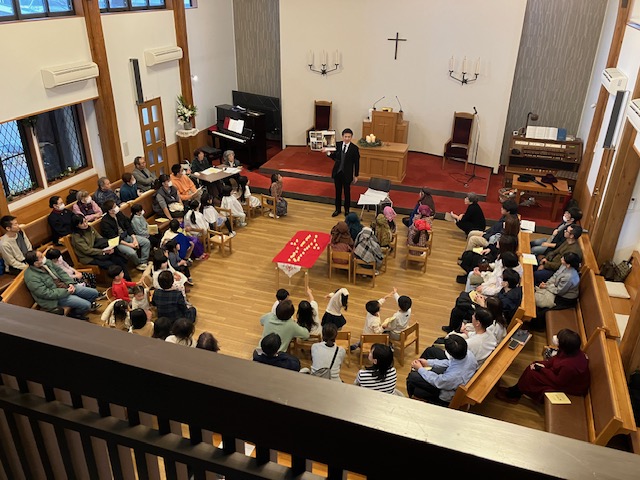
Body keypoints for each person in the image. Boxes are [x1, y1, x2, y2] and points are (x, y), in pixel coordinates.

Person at [496, 328, 589, 404]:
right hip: (560, 376)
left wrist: (542, 369)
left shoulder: (569, 366)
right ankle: (516, 390)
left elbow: (559, 381)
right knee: (533, 365)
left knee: (533, 374)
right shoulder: (571, 351)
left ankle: (514, 394)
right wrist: (542, 365)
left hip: (568, 386)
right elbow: (556, 359)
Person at [24, 250, 100, 320]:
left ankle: (76, 309)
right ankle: (74, 314)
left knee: (94, 293)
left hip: (65, 286)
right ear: (36, 263)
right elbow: (46, 293)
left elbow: (61, 272)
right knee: (86, 305)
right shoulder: (31, 277)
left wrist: (70, 283)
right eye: (41, 257)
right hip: (54, 298)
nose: (44, 257)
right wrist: (66, 291)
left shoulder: (46, 262)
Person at [406, 334, 478, 405]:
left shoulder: (452, 376)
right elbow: (450, 363)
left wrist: (420, 369)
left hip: (444, 394)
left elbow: (437, 380)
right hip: (452, 381)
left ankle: (411, 398)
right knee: (430, 352)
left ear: (449, 353)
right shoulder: (469, 354)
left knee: (412, 377)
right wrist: (428, 362)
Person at [70, 214, 132, 280]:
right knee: (112, 265)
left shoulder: (90, 228)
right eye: (82, 223)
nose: (85, 224)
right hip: (89, 257)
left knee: (118, 259)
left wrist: (109, 247)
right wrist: (103, 251)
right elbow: (87, 250)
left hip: (98, 251)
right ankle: (120, 282)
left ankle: (127, 280)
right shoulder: (76, 237)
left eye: (85, 221)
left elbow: (100, 238)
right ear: (77, 226)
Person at [533, 252, 581, 327]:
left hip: (565, 298)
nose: (561, 259)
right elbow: (555, 275)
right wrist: (547, 283)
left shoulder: (569, 277)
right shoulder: (564, 265)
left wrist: (546, 287)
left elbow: (559, 291)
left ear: (568, 265)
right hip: (556, 287)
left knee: (542, 311)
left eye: (563, 259)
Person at [101, 199, 150, 270]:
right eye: (114, 206)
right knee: (132, 253)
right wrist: (130, 245)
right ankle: (138, 264)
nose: (117, 207)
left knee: (146, 242)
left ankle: (143, 262)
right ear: (110, 210)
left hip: (126, 236)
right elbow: (114, 238)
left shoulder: (119, 214)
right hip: (117, 242)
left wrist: (134, 239)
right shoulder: (105, 222)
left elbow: (128, 226)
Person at [323, 128, 359, 217]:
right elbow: (334, 157)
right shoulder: (338, 145)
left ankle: (347, 210)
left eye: (349, 137)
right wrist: (328, 153)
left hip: (347, 174)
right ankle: (337, 209)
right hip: (337, 173)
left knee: (347, 193)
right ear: (342, 137)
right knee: (337, 192)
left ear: (351, 137)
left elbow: (357, 163)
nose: (347, 138)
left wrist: (356, 175)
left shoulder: (354, 148)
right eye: (345, 136)